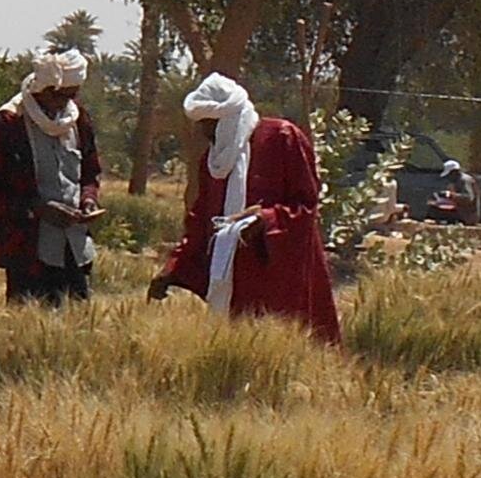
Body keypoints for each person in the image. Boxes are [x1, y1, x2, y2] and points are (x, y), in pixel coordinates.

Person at [146, 74, 343, 344]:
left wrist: (266, 218)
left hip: (277, 272)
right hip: (233, 277)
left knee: (287, 348)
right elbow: (200, 220)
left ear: (230, 120)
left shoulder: (282, 138)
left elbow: (306, 205)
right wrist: (173, 268)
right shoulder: (212, 162)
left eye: (210, 125)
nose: (205, 133)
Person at [0, 48, 103, 305]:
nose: (66, 102)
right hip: (28, 254)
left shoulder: (78, 119)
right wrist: (37, 209)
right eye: (62, 96)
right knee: (25, 329)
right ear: (45, 91)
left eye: (72, 95)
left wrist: (88, 200)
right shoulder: (8, 124)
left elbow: (90, 172)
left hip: (75, 249)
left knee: (78, 327)